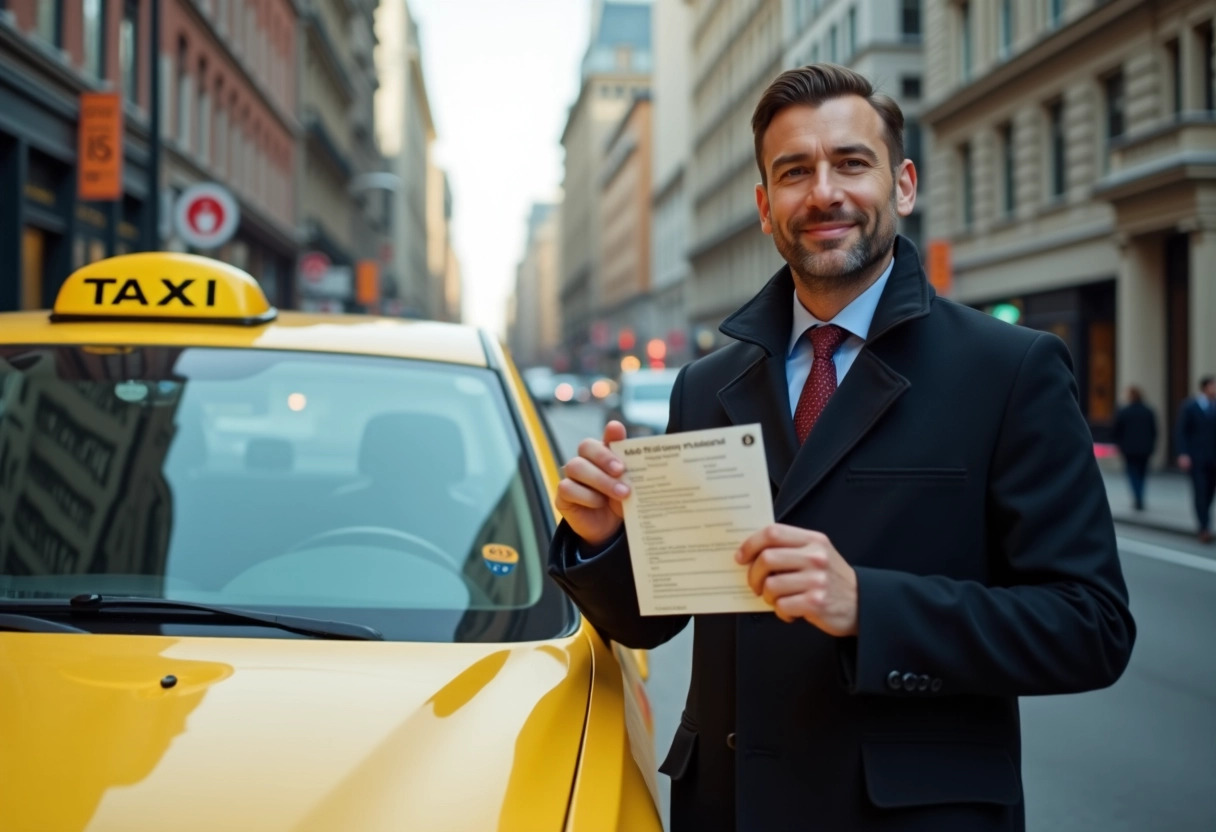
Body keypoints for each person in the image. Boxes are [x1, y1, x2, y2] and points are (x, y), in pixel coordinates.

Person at [549, 64, 1135, 832]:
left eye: (851, 163)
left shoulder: (1010, 370)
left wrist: (870, 606)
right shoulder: (706, 383)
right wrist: (603, 542)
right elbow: (656, 618)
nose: (823, 192)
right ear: (765, 206)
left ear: (902, 185)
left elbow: (1090, 627)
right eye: (794, 172)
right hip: (733, 809)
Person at [1175, 375, 1216, 543]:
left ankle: (1205, 520)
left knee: (1209, 492)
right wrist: (1183, 453)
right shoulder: (1190, 406)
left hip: (1213, 458)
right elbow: (1181, 431)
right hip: (1196, 457)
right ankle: (1203, 526)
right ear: (1205, 387)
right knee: (1200, 491)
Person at [1112, 386, 1157, 511]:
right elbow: (1154, 431)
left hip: (1129, 449)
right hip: (1144, 448)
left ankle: (1138, 497)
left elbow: (1116, 430)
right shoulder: (1148, 411)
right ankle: (1140, 496)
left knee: (1133, 473)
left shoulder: (1124, 411)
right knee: (1142, 473)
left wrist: (1118, 444)